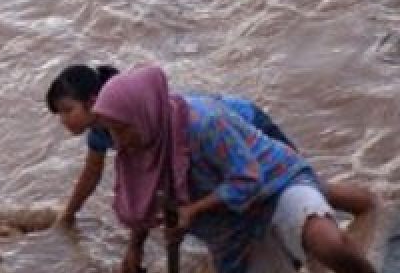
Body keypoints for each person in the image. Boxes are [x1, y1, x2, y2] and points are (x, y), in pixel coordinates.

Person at [91, 65, 400, 273]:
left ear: (142, 113)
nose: (117, 141)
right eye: (111, 132)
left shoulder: (204, 122)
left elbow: (248, 180)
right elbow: (145, 202)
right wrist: (135, 249)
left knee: (332, 244)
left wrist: (193, 211)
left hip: (274, 185)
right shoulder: (136, 149)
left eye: (121, 129)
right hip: (228, 227)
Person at [45, 64, 379, 250]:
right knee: (238, 204)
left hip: (240, 122)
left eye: (67, 110)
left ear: (92, 103)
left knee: (292, 182)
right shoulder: (104, 132)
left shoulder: (124, 116)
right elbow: (93, 176)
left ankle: (369, 206)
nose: (64, 121)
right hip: (207, 140)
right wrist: (69, 215)